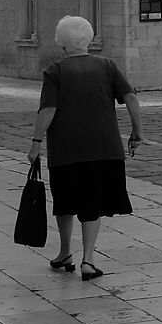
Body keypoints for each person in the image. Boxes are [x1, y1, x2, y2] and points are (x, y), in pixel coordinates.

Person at [31, 15, 142, 281]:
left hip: (66, 150)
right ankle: (88, 260)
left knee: (65, 202)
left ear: (62, 43)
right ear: (89, 39)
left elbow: (48, 109)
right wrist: (137, 132)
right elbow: (130, 97)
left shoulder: (55, 71)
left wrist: (35, 142)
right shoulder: (107, 66)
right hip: (104, 148)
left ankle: (65, 252)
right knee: (92, 204)